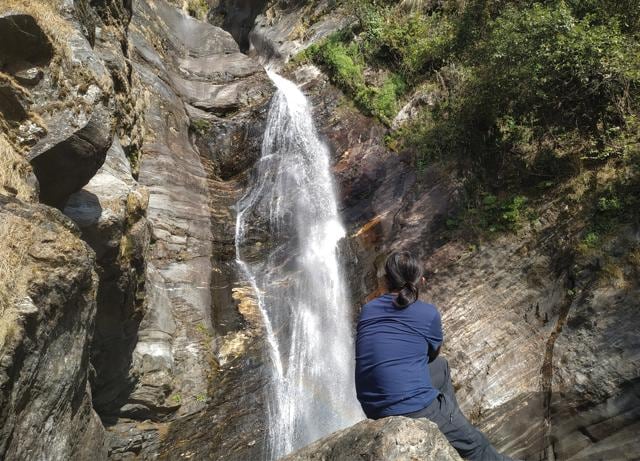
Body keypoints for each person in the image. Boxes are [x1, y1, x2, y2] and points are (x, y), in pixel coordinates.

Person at [355, 251, 513, 461]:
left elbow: (431, 362)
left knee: (441, 367)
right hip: (410, 407)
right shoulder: (427, 313)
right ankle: (452, 427)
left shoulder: (367, 309)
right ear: (421, 281)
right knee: (478, 446)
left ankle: (451, 419)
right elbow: (430, 354)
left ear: (385, 281)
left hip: (371, 406)